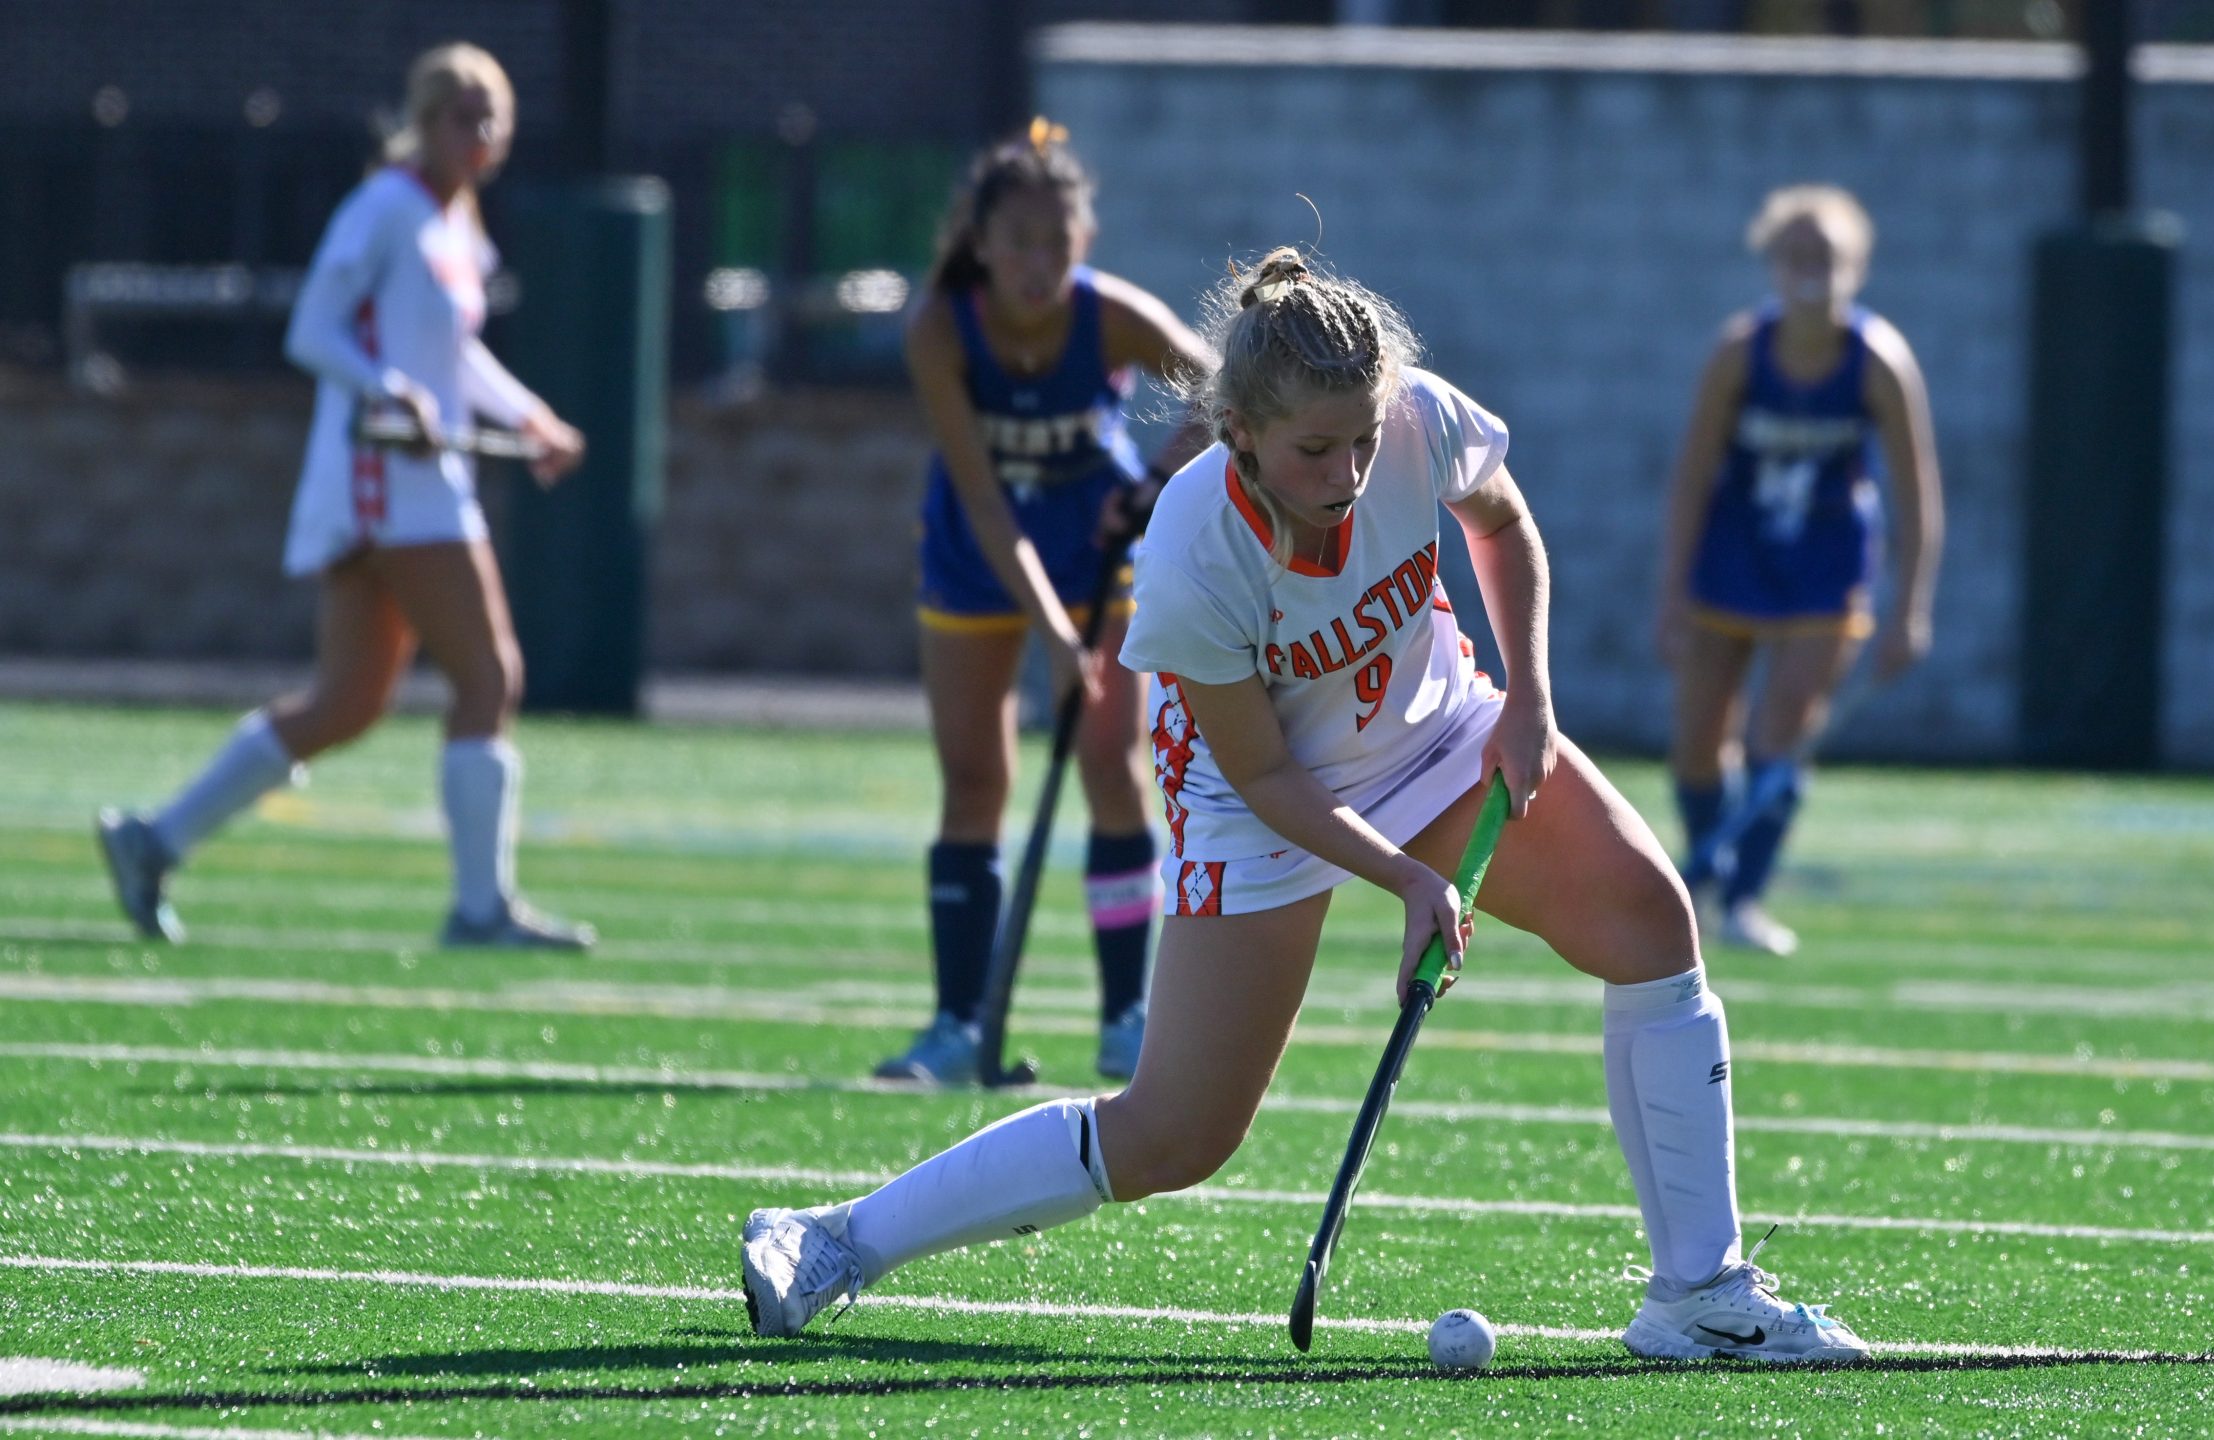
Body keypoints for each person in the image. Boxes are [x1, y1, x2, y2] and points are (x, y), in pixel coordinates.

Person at [739, 250, 1871, 1365]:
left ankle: (1698, 1293)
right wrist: (1411, 881)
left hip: (1432, 728)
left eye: (1363, 441)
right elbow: (1267, 776)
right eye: (1316, 451)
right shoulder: (1192, 546)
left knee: (1651, 925)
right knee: (1175, 1134)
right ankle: (837, 1239)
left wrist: (1528, 700)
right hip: (1256, 798)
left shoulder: (1418, 418)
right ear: (1239, 431)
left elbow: (1501, 526)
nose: (1349, 474)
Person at [96, 43, 593, 950]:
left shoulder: (456, 224)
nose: (482, 133)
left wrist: (530, 417)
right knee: (489, 676)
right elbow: (313, 331)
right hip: (388, 480)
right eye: (464, 116)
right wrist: (386, 389)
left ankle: (153, 841)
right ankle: (480, 910)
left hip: (409, 480)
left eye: (494, 117)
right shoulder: (385, 208)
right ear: (425, 121)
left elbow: (454, 355)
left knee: (348, 703)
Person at [876, 120, 1211, 1084]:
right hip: (976, 554)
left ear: (1084, 241)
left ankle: (1128, 1018)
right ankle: (956, 1026)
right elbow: (984, 499)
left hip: (1095, 550)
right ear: (981, 243)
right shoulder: (940, 328)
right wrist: (1057, 637)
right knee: (975, 779)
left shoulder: (1111, 317)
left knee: (1112, 764)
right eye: (1019, 242)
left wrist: (1152, 485)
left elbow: (1227, 391)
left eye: (1057, 242)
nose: (1039, 263)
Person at [1654, 185, 1943, 958]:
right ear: (1772, 262)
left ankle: (1744, 898)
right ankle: (1704, 877)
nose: (1812, 268)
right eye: (1797, 253)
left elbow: (1918, 491)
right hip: (1732, 557)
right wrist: (1671, 593)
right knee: (1697, 740)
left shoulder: (1877, 361)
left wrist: (1912, 607)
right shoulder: (1738, 353)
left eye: (1829, 255)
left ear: (1858, 265)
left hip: (1825, 565)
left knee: (1781, 730)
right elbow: (1691, 478)